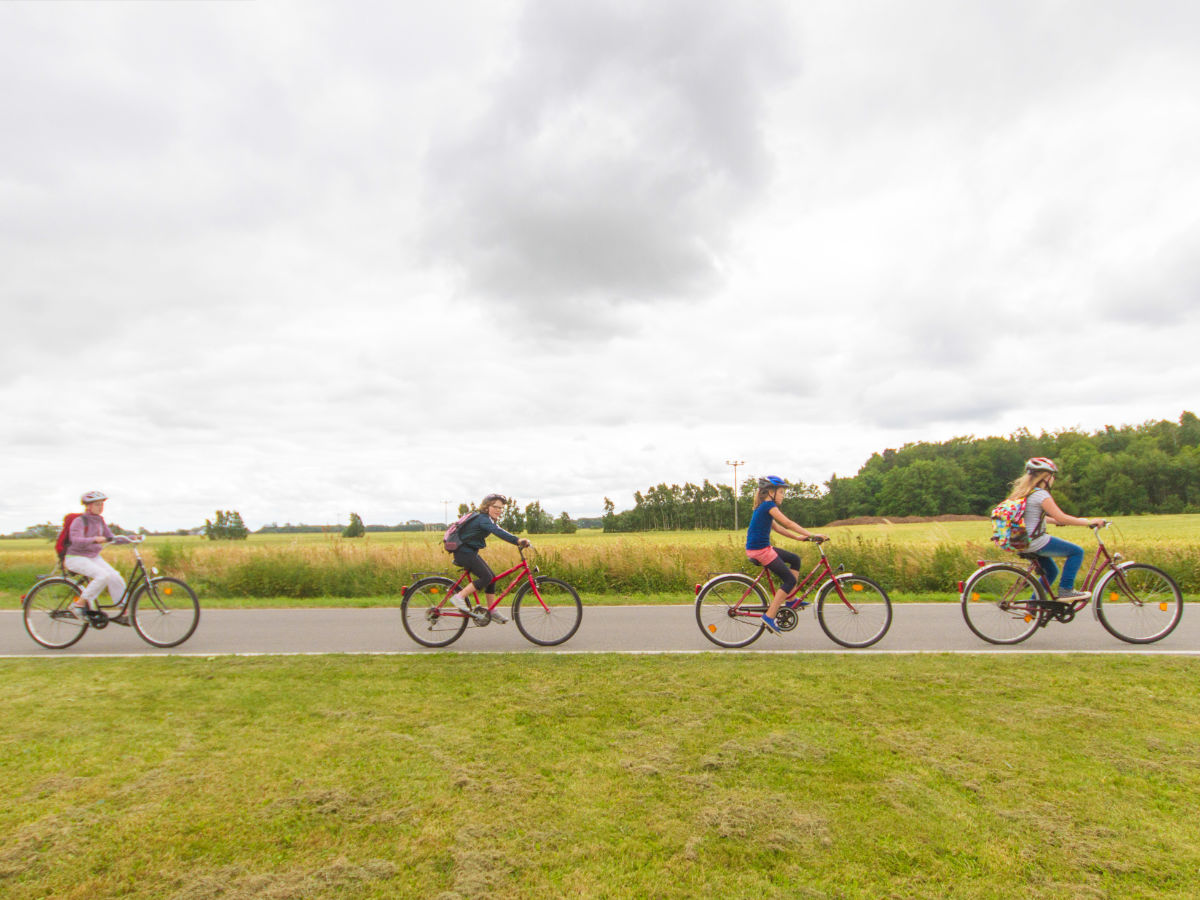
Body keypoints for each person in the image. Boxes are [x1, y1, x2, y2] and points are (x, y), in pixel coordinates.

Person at [1009, 458, 1106, 601]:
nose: (1053, 479)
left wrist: (1054, 521)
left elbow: (1034, 517)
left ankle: (1033, 605)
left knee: (1051, 572)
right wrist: (1088, 522)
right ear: (1046, 477)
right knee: (1077, 552)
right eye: (1053, 475)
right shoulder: (1041, 494)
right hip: (1035, 541)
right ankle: (1066, 590)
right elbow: (1062, 517)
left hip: (1021, 541)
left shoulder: (1024, 493)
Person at [745, 476, 827, 634]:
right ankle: (769, 616)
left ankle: (790, 600)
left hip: (762, 548)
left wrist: (798, 537)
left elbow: (777, 528)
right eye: (781, 492)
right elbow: (788, 523)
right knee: (789, 579)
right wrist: (811, 535)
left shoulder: (764, 506)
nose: (783, 495)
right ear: (770, 492)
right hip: (760, 550)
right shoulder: (768, 505)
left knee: (795, 559)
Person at [447, 493, 531, 623]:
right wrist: (518, 540)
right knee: (486, 577)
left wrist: (517, 541)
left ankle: (491, 610)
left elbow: (498, 529)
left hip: (469, 552)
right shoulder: (483, 519)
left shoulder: (487, 519)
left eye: (501, 508)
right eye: (495, 507)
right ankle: (459, 597)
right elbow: (498, 532)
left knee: (491, 578)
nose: (499, 510)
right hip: (463, 552)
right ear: (487, 507)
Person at [63, 490, 133, 619]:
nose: (100, 507)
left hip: (92, 557)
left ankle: (123, 611)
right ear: (88, 506)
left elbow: (111, 538)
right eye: (97, 504)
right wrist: (94, 539)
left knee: (115, 577)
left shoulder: (100, 520)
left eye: (101, 504)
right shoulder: (80, 521)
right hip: (75, 557)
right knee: (102, 575)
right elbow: (76, 540)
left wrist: (131, 538)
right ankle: (78, 605)